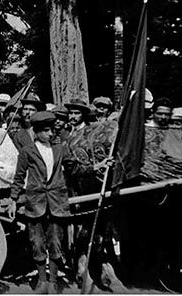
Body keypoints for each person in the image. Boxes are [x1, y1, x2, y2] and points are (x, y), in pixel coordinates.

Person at [6, 111, 108, 294]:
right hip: (35, 202)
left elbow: (74, 168)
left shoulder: (60, 149)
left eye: (51, 130)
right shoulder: (27, 152)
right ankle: (42, 281)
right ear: (36, 132)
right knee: (36, 243)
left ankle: (53, 282)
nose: (50, 134)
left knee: (55, 242)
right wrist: (13, 199)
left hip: (57, 202)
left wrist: (97, 167)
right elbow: (19, 177)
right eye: (45, 131)